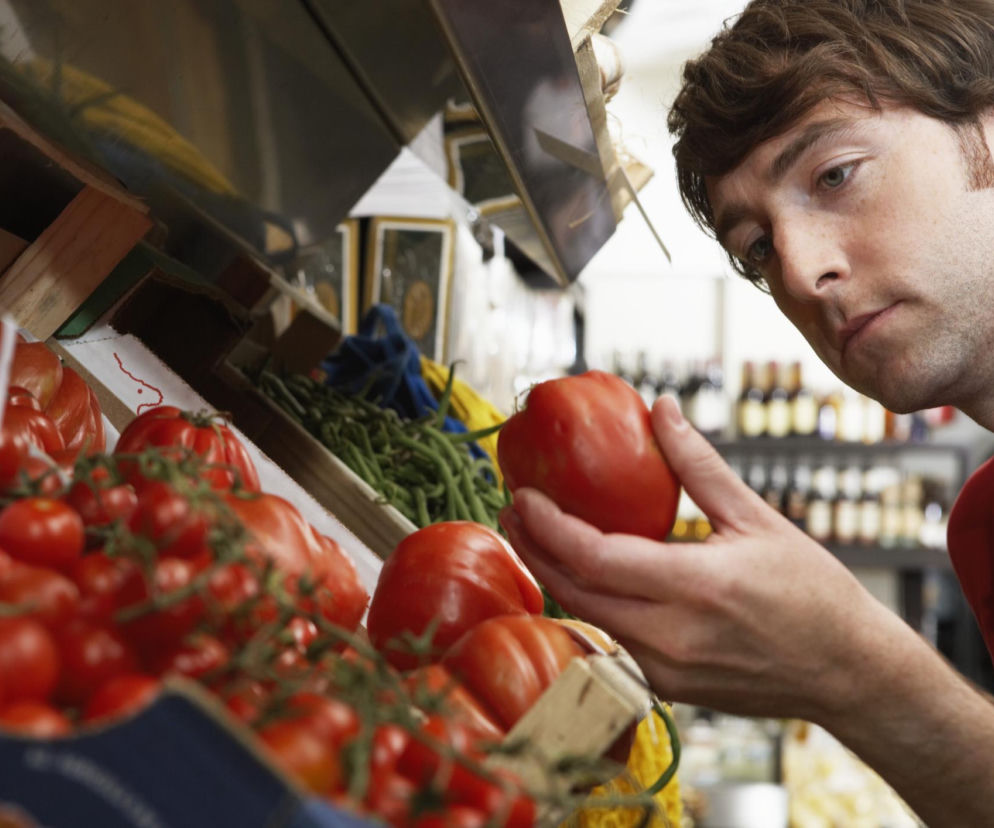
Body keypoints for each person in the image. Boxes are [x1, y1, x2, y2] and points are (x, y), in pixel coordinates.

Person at [499, 1, 994, 824]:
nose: (799, 273)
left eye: (835, 175)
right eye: (757, 248)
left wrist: (855, 670)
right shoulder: (982, 528)